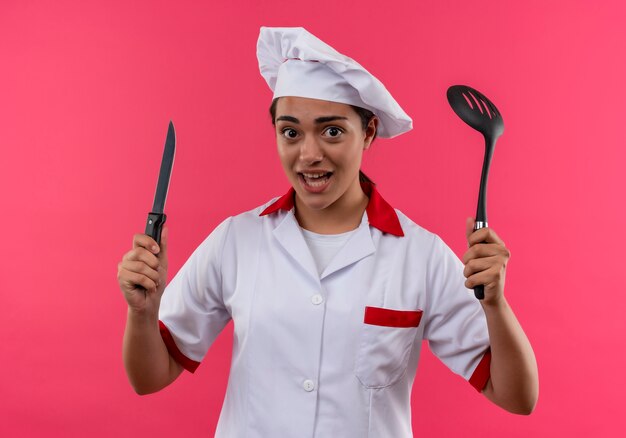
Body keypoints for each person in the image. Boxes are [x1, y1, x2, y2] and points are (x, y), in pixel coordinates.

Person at [117, 26, 538, 437]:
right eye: (290, 132)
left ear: (368, 132)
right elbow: (151, 377)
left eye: (332, 131)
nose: (309, 154)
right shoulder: (236, 241)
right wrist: (142, 313)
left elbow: (517, 396)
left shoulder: (421, 256)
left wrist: (496, 305)